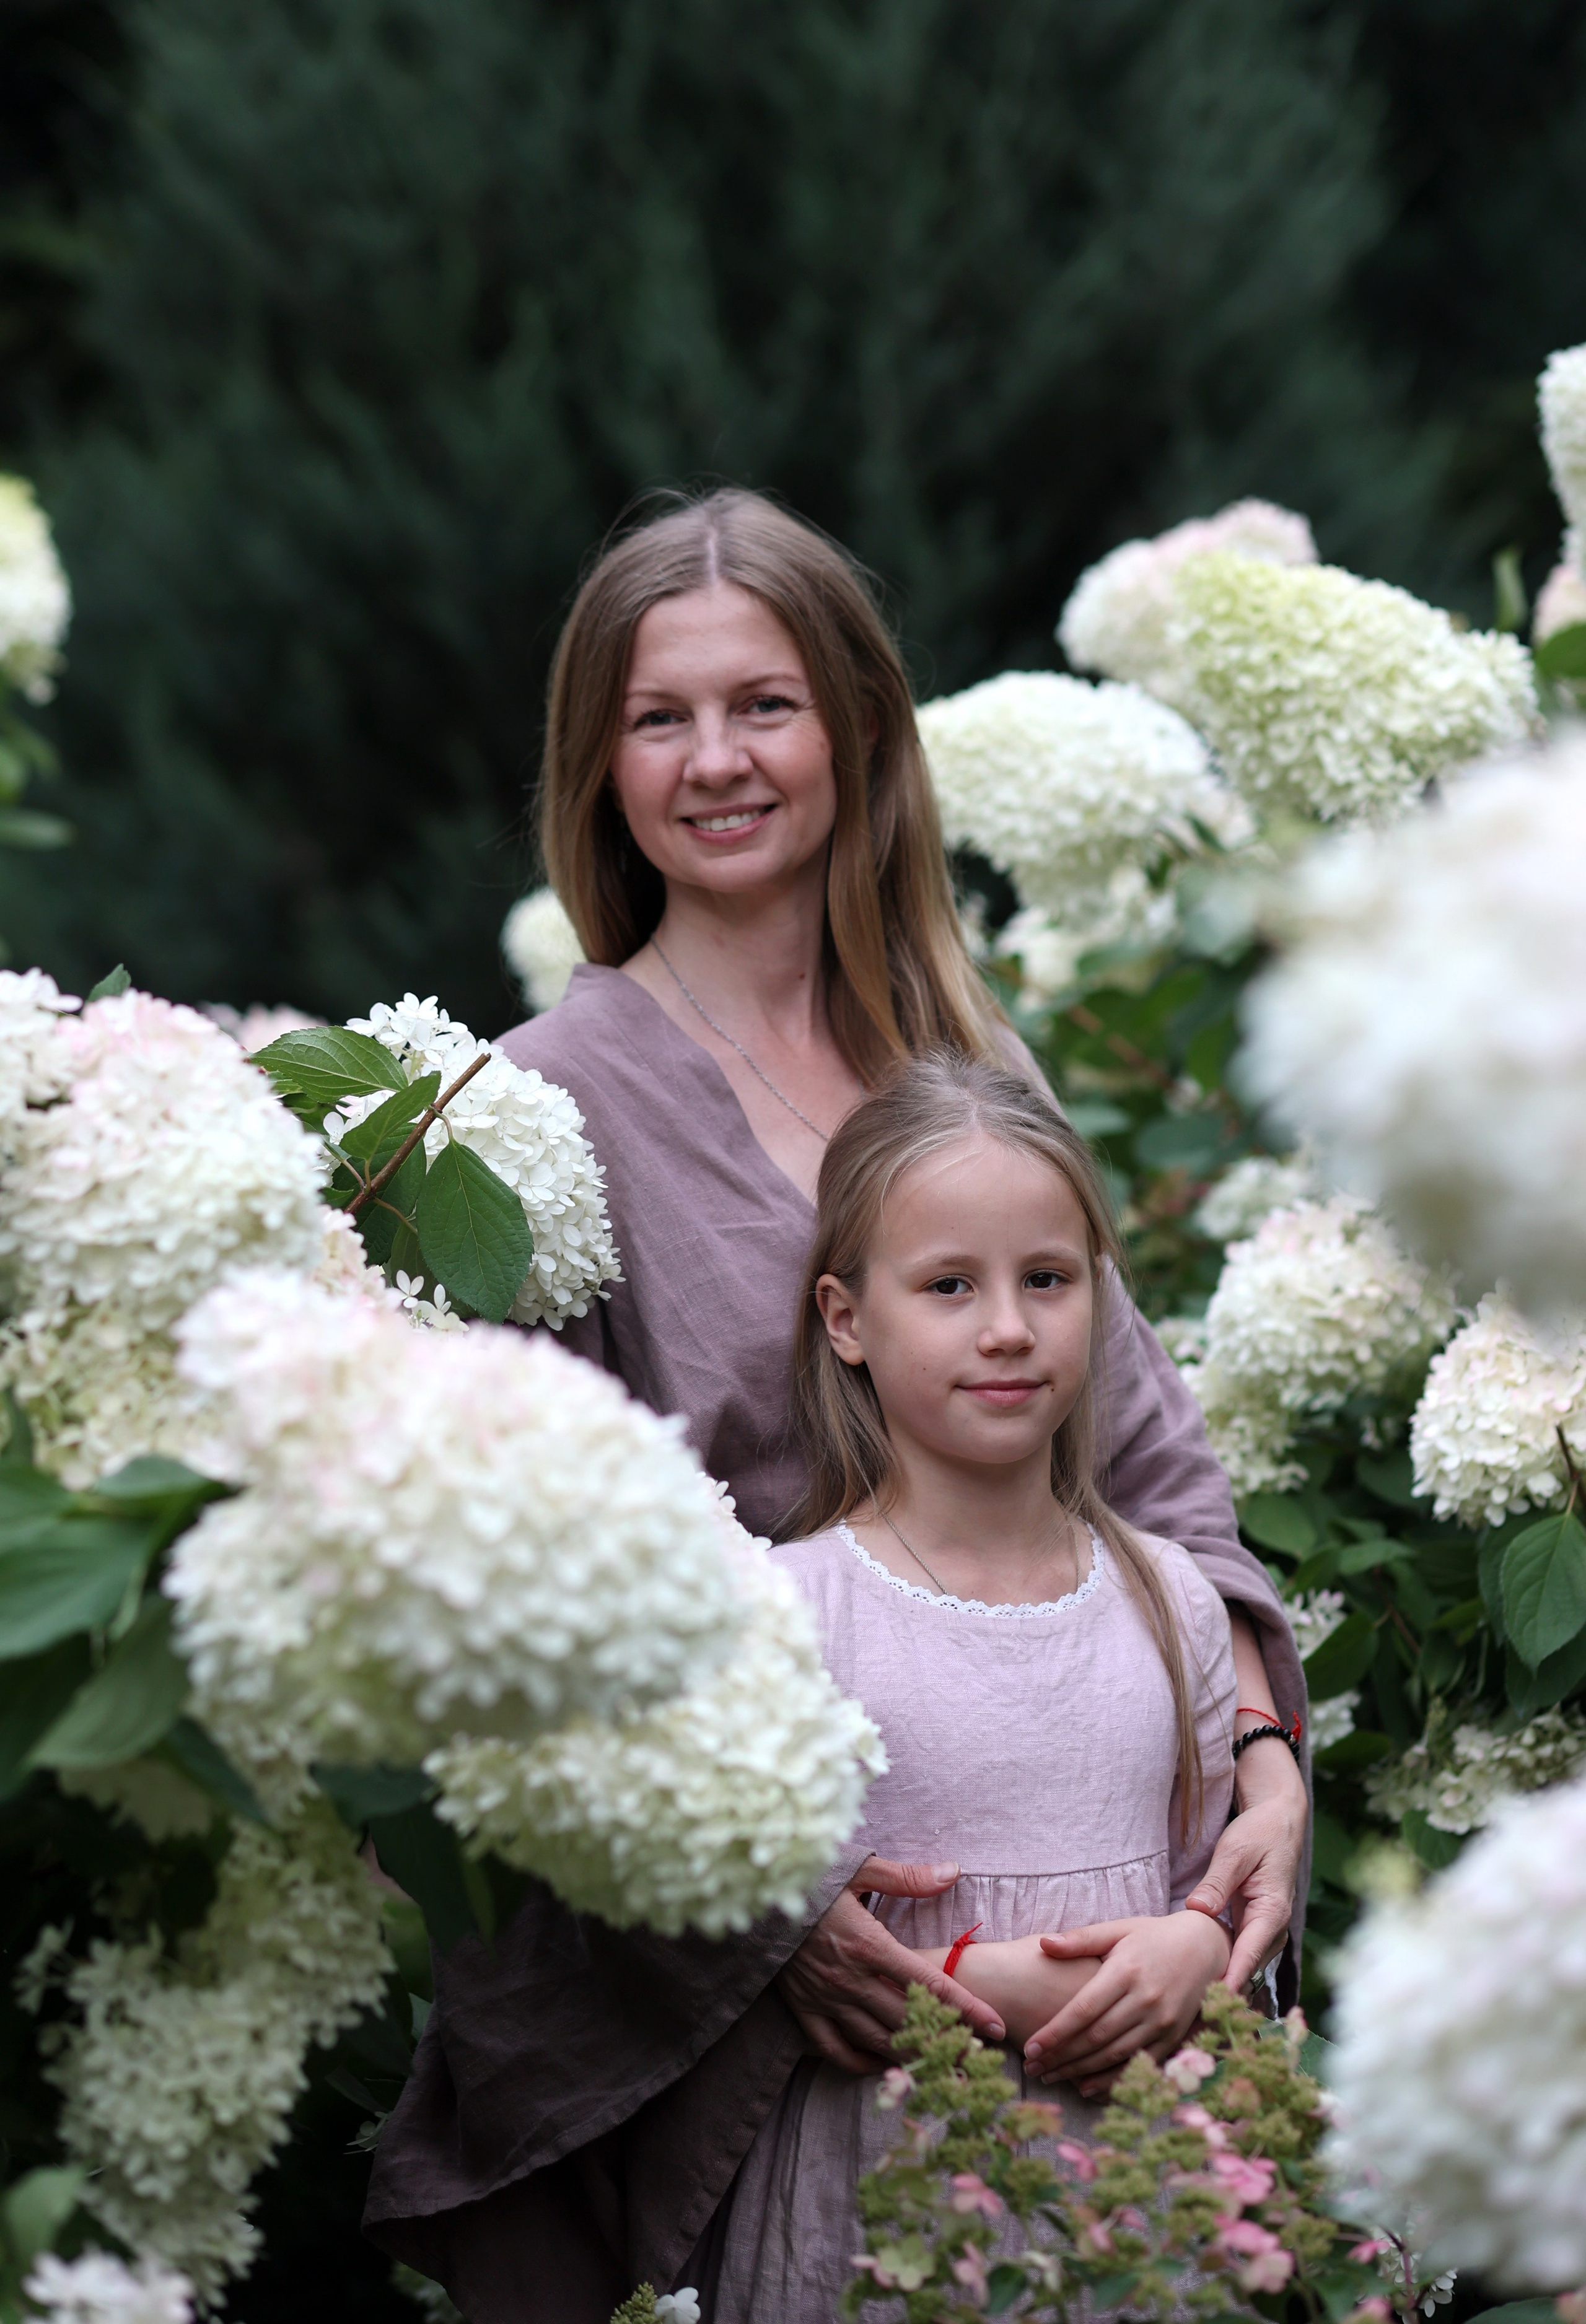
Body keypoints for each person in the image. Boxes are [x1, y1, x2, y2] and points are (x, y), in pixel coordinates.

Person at [364, 489, 1307, 2321]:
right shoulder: (537, 1112)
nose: (716, 760)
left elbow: (1154, 1475)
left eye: (765, 705)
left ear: (857, 727)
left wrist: (1259, 1782)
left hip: (1104, 1925)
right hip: (782, 1989)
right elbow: (511, 1610)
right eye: (660, 717)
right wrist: (776, 1918)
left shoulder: (966, 1059)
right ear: (601, 766)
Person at [715, 1051, 1254, 2319]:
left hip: (1135, 2194)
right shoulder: (783, 1610)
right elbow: (746, 1932)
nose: (1007, 1327)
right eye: (949, 1284)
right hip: (885, 2191)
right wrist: (976, 1984)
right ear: (846, 1319)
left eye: (1046, 1279)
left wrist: (1199, 1943)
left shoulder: (1172, 1599)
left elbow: (1213, 1885)